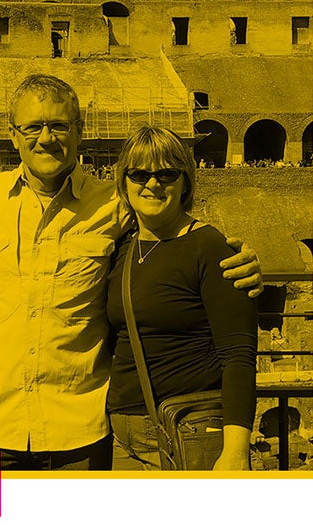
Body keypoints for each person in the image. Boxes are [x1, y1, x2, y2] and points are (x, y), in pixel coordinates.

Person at [0, 74, 261, 470]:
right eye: (32, 127)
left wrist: (242, 264)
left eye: (59, 125)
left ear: (79, 131)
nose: (46, 138)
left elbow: (175, 237)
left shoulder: (114, 207)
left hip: (78, 429)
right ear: (13, 135)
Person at [106, 126, 257, 470]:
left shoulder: (209, 247)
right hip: (120, 436)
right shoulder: (122, 247)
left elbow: (238, 356)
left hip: (187, 430)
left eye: (167, 174)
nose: (153, 183)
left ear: (185, 181)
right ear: (124, 182)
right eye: (140, 173)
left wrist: (235, 452)